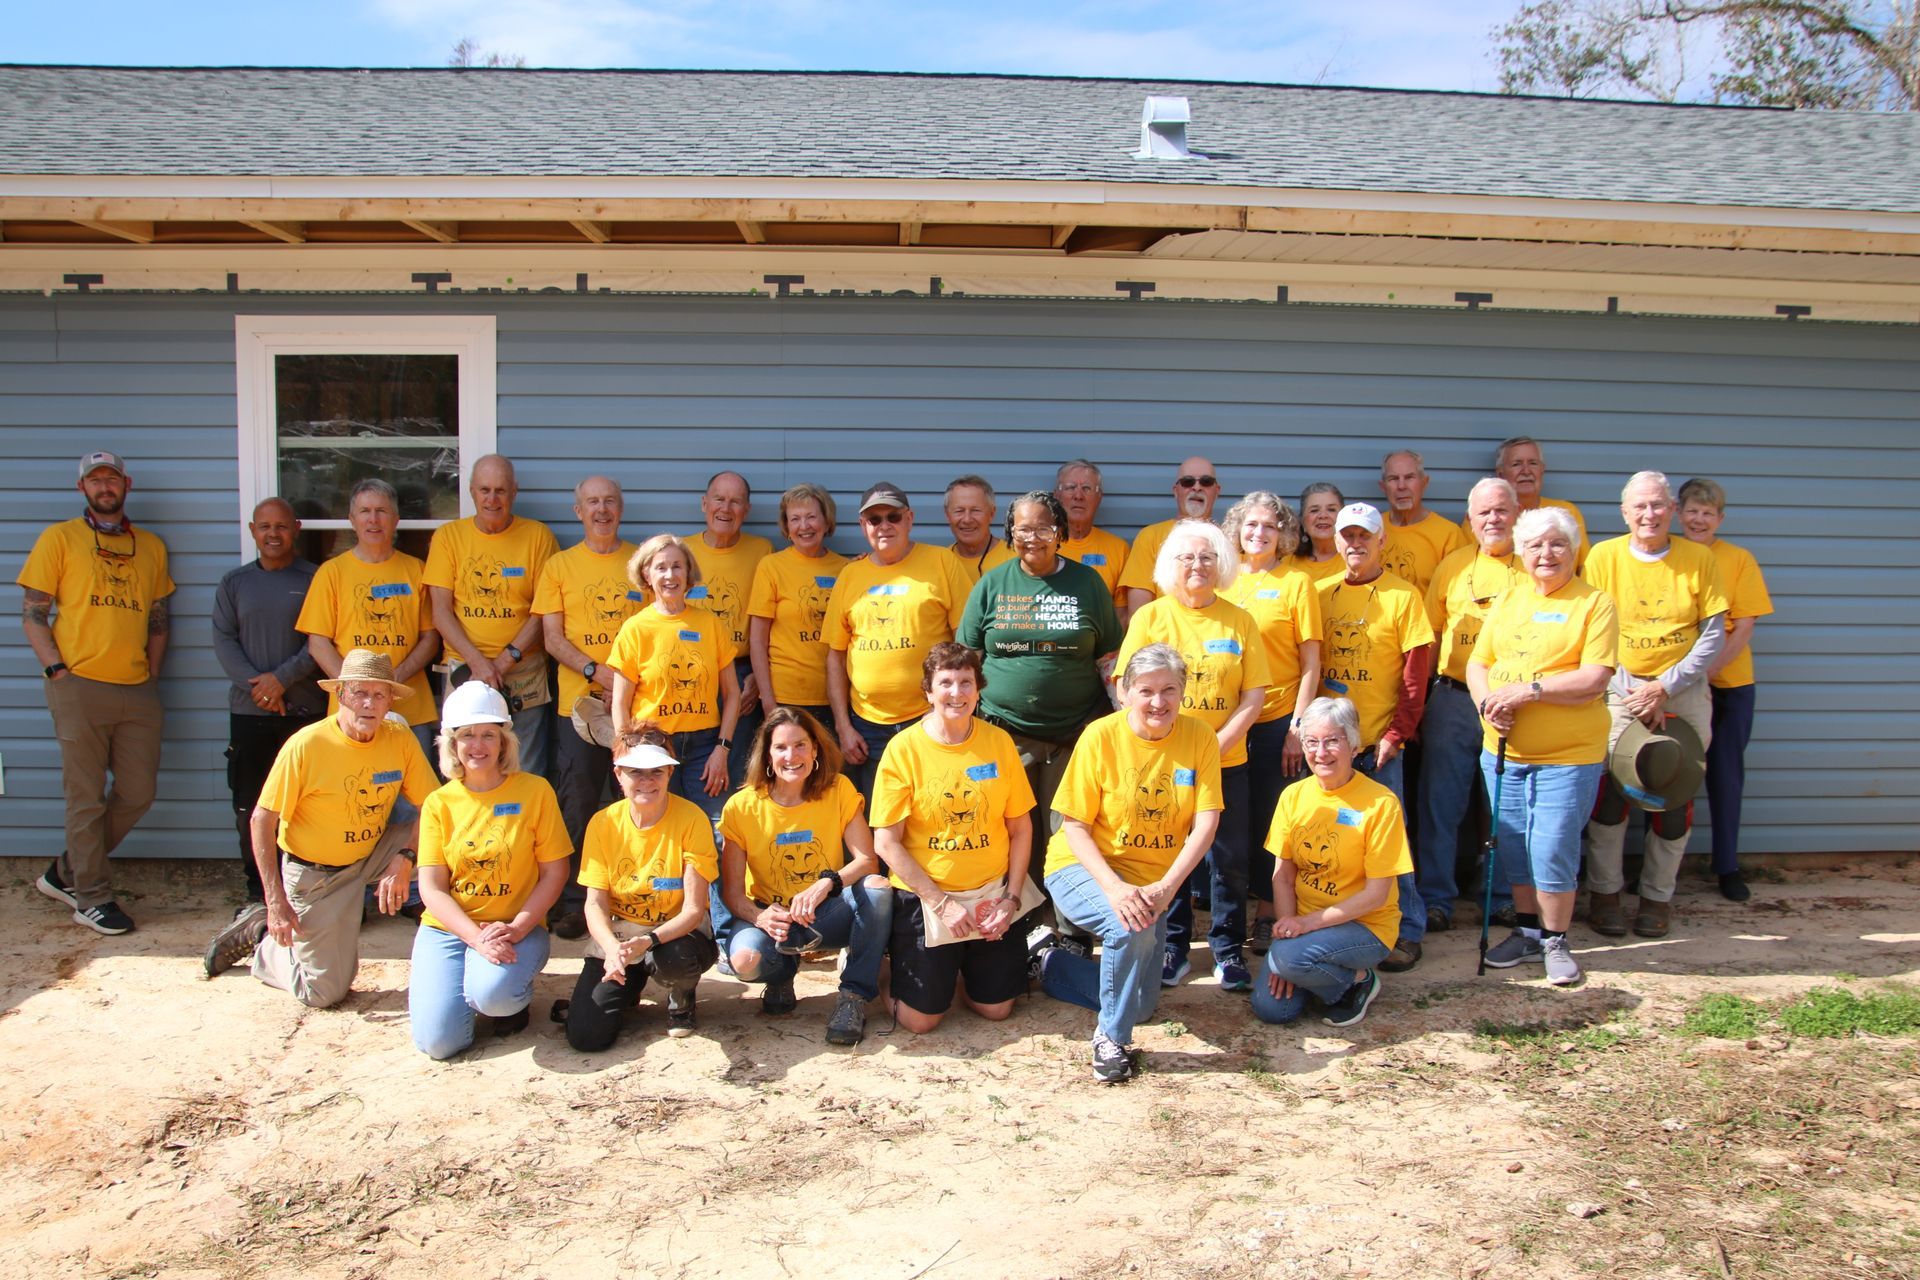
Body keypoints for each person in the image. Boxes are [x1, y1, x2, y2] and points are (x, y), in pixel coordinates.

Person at [201, 649, 437, 1004]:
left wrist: (405, 858)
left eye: (378, 694)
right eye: (359, 692)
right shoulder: (307, 745)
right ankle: (265, 936)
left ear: (390, 700)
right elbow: (261, 820)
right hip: (318, 876)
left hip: (372, 853)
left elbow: (433, 807)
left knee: (454, 834)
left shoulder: (397, 738)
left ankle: (459, 947)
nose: (368, 704)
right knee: (323, 993)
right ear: (340, 694)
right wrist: (275, 900)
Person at [1038, 644, 1223, 1082]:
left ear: (1183, 692)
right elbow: (1074, 828)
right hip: (1083, 865)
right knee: (1129, 926)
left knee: (1143, 1003)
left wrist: (1167, 887)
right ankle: (1111, 1041)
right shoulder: (1099, 736)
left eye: (1169, 690)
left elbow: (1206, 824)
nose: (1158, 702)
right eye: (1146, 690)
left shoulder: (1200, 737)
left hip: (1152, 881)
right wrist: (1115, 890)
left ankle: (1048, 964)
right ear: (1123, 692)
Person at [20, 450, 173, 935]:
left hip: (136, 688)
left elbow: (158, 618)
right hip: (78, 685)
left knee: (137, 792)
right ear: (82, 489)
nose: (104, 486)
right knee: (85, 797)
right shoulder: (59, 538)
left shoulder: (150, 546)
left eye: (111, 478)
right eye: (94, 480)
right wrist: (56, 671)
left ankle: (65, 872)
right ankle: (91, 895)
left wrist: (151, 673)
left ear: (126, 484)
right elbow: (33, 613)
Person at [1114, 520, 1268, 992]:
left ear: (1221, 563)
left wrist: (1215, 745)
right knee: (1168, 853)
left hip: (1227, 758)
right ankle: (1175, 947)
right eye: (1187, 557)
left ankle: (1227, 949)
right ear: (1169, 566)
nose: (1197, 565)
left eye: (1206, 557)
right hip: (1166, 763)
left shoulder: (1238, 620)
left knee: (1230, 857)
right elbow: (1126, 688)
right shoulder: (1151, 618)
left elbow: (1254, 694)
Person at [1467, 507, 1618, 986]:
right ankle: (1528, 931)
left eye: (1556, 544)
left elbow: (1594, 678)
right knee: (1513, 845)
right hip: (1505, 751)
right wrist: (1490, 702)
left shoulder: (1595, 604)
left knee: (1550, 846)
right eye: (1534, 545)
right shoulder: (1510, 599)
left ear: (1574, 550)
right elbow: (1478, 663)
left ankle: (1556, 939)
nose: (1545, 554)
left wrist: (1529, 691)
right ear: (1521, 551)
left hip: (1568, 755)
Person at [1581, 471, 1729, 939]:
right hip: (1619, 689)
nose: (1649, 514)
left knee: (1673, 794)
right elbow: (1593, 628)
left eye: (1657, 506)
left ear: (1672, 510)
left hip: (1681, 692)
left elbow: (1712, 635)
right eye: (1639, 507)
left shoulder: (1699, 559)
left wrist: (1664, 687)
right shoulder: (1604, 557)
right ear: (1624, 512)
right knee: (1609, 795)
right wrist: (1635, 690)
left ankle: (1657, 898)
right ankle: (1605, 896)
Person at [871, 644, 1037, 1033]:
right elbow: (886, 842)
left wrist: (1010, 899)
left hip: (989, 894)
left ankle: (958, 968)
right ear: (928, 691)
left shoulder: (998, 743)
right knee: (920, 1021)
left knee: (996, 1010)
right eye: (945, 683)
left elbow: (1021, 828)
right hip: (929, 898)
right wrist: (941, 903)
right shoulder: (903, 749)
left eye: (966, 682)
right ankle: (878, 966)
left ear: (979, 690)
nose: (957, 693)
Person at [956, 491, 1122, 873]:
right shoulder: (992, 584)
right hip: (1005, 733)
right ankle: (1019, 919)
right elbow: (968, 659)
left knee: (1067, 832)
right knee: (1012, 829)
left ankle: (1067, 926)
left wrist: (1121, 721)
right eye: (1023, 529)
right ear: (1010, 533)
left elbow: (1109, 658)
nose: (1033, 538)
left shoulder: (1088, 583)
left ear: (1060, 532)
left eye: (1043, 528)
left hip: (1074, 734)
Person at [409, 681, 572, 1058]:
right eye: (467, 736)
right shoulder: (439, 803)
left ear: (504, 742)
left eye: (488, 735)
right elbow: (432, 889)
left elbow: (554, 872)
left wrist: (517, 928)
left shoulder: (535, 791)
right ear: (452, 743)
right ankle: (464, 986)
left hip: (517, 928)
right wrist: (475, 939)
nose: (478, 746)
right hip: (450, 930)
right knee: (438, 1044)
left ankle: (507, 1000)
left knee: (495, 996)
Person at [715, 707, 892, 1045]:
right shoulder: (740, 807)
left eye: (800, 745)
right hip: (774, 917)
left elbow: (868, 861)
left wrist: (827, 883)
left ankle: (853, 996)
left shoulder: (838, 788)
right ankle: (780, 975)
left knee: (878, 889)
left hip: (825, 912)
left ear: (815, 750)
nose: (791, 756)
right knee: (745, 961)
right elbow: (734, 895)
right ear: (767, 754)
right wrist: (761, 916)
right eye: (781, 747)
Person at [1314, 502, 1434, 972]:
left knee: (1389, 844)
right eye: (1348, 536)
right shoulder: (1320, 593)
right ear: (1337, 542)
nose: (1355, 544)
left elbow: (1415, 676)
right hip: (1328, 748)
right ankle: (1343, 926)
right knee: (1335, 843)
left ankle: (1408, 929)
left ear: (1382, 541)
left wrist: (1397, 734)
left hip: (1379, 745)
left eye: (1365, 536)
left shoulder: (1404, 597)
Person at [1251, 697, 1411, 1030]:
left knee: (1290, 961)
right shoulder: (1293, 796)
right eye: (1311, 742)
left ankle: (1357, 981)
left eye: (1332, 741)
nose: (1320, 752)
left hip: (1364, 925)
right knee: (1272, 1010)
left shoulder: (1381, 804)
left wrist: (1299, 936)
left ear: (1353, 746)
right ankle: (1316, 970)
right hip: (1303, 925)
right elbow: (1282, 877)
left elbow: (1376, 895)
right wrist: (1287, 930)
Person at [1416, 477, 1529, 933]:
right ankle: (1436, 897)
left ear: (1517, 513)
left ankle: (1502, 895)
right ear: (1470, 519)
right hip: (1455, 698)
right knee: (1440, 803)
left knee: (1505, 803)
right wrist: (1423, 703)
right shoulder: (1453, 567)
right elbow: (1431, 637)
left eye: (1501, 510)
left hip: (1514, 704)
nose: (1493, 520)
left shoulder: (1534, 567)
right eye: (1483, 513)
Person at [534, 475, 643, 938]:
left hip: (635, 709)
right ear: (578, 511)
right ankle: (575, 902)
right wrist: (596, 672)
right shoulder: (559, 566)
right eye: (592, 502)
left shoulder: (641, 563)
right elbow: (551, 637)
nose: (602, 510)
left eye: (610, 502)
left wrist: (624, 682)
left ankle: (634, 896)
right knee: (576, 805)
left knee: (635, 799)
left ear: (621, 508)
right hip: (577, 708)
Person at [565, 725, 721, 1049]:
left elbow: (693, 909)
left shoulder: (692, 818)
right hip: (622, 935)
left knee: (674, 958)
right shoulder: (602, 823)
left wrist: (648, 941)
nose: (647, 781)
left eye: (657, 772)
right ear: (619, 775)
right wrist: (611, 949)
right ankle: (630, 983)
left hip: (675, 932)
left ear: (669, 773)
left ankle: (681, 994)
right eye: (636, 772)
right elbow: (594, 903)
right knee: (586, 1036)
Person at [823, 481, 975, 803]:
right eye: (874, 520)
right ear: (863, 526)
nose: (884, 526)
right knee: (877, 819)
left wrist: (950, 709)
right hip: (867, 728)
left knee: (934, 808)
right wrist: (843, 727)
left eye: (892, 516)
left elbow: (967, 645)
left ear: (909, 519)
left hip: (929, 718)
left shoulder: (942, 564)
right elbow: (835, 656)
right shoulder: (850, 576)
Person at [1220, 492, 1323, 940]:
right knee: (1225, 824)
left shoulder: (1297, 583)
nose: (1258, 533)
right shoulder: (1222, 580)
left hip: (1276, 720)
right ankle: (1223, 916)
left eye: (1268, 526)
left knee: (1269, 821)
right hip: (1226, 721)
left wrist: (1298, 727)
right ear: (1237, 531)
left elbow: (1312, 663)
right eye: (1250, 525)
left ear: (1283, 534)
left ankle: (1266, 913)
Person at [213, 497, 323, 906]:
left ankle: (305, 890)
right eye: (264, 526)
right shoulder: (234, 583)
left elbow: (320, 641)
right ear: (252, 530)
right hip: (250, 713)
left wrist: (281, 680)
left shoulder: (316, 578)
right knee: (252, 805)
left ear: (295, 528)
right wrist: (258, 687)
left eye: (281, 526)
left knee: (307, 806)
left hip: (304, 711)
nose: (273, 534)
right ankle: (258, 892)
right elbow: (224, 641)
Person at [424, 454, 560, 777]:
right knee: (462, 765)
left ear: (514, 492)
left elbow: (543, 611)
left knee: (525, 766)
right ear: (471, 491)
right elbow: (440, 612)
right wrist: (479, 663)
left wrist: (502, 663)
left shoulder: (538, 537)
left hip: (523, 671)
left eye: (500, 490)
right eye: (484, 490)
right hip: (464, 672)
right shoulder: (448, 538)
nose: (492, 498)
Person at [1679, 477, 1774, 904]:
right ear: (1679, 514)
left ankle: (1727, 865)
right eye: (1692, 511)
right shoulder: (1673, 556)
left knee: (1725, 774)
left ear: (1720, 518)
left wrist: (1709, 671)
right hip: (1676, 686)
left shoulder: (1738, 559)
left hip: (1730, 684)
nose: (1699, 519)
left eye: (1708, 513)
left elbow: (1746, 622)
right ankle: (1656, 868)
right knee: (1668, 771)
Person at [298, 478, 440, 758]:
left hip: (411, 709)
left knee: (413, 800)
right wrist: (360, 692)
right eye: (364, 511)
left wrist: (392, 681)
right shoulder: (331, 573)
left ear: (396, 519)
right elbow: (318, 643)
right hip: (350, 713)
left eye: (381, 511)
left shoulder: (416, 570)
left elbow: (431, 637)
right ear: (352, 520)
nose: (373, 519)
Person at [607, 534, 740, 823]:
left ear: (688, 572)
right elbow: (619, 703)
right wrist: (626, 754)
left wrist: (722, 749)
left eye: (677, 567)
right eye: (661, 567)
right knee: (660, 828)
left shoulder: (711, 625)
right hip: (652, 747)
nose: (670, 575)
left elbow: (733, 695)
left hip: (705, 748)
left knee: (717, 831)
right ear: (647, 574)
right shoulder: (635, 629)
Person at [686, 471, 773, 789]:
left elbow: (777, 617)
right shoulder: (681, 552)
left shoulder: (762, 551)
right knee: (696, 768)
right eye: (719, 499)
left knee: (737, 773)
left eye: (735, 501)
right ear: (704, 503)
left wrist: (758, 678)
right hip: (690, 672)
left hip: (742, 675)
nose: (726, 508)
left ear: (746, 510)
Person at [747, 482, 848, 726]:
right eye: (795, 519)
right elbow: (758, 640)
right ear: (787, 526)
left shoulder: (847, 569)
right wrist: (768, 700)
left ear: (826, 520)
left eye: (812, 517)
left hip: (835, 697)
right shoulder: (771, 566)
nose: (804, 526)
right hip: (785, 698)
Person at [1118, 455, 1224, 620]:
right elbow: (1139, 612)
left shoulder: (1229, 539)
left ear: (1216, 491)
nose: (1197, 487)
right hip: (1166, 639)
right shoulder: (1150, 536)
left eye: (1206, 482)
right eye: (1188, 482)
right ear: (1176, 491)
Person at [1460, 437, 1590, 569]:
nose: (1526, 471)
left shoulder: (1566, 513)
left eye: (1533, 463)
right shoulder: (1481, 520)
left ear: (1542, 469)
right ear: (1501, 473)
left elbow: (1584, 568)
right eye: (1517, 464)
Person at [1378, 450, 1468, 596]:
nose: (1401, 486)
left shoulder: (1449, 534)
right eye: (1393, 479)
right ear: (1383, 487)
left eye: (1409, 477)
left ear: (1424, 483)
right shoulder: (1371, 530)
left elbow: (1459, 595)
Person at [1053, 459, 1128, 609]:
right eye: (1070, 487)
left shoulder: (1118, 549)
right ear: (1057, 495)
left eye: (1087, 488)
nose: (1078, 496)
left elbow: (1122, 613)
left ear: (1099, 497)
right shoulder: (1039, 545)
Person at [944, 474, 1016, 584]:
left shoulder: (1015, 560)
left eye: (976, 510)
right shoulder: (942, 563)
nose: (967, 519)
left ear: (991, 514)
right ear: (947, 515)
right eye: (959, 511)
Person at [1288, 482, 1348, 585]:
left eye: (1331, 509)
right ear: (1302, 521)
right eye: (1314, 510)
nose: (1323, 515)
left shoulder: (1355, 560)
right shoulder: (1287, 564)